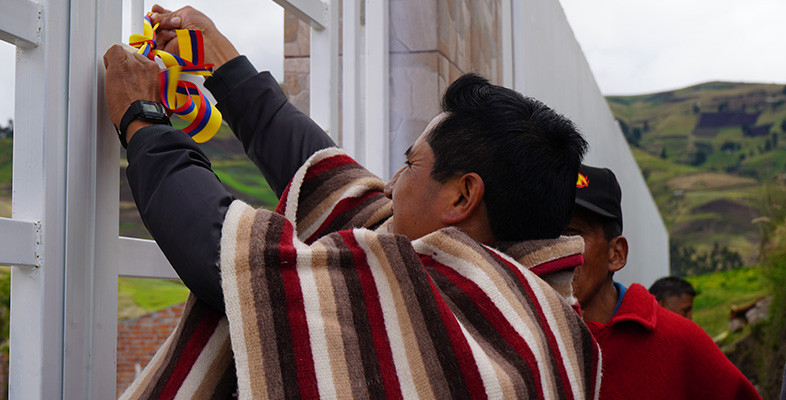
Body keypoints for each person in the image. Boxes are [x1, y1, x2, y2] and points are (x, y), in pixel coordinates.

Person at [109, 5, 601, 399]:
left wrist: (142, 117)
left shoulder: (425, 307)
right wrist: (224, 62)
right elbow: (334, 178)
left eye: (409, 165)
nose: (388, 186)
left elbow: (234, 260)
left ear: (462, 195)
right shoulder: (548, 322)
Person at [565, 164, 761, 399]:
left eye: (571, 233)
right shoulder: (522, 345)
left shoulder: (680, 342)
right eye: (543, 235)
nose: (553, 250)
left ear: (615, 254)